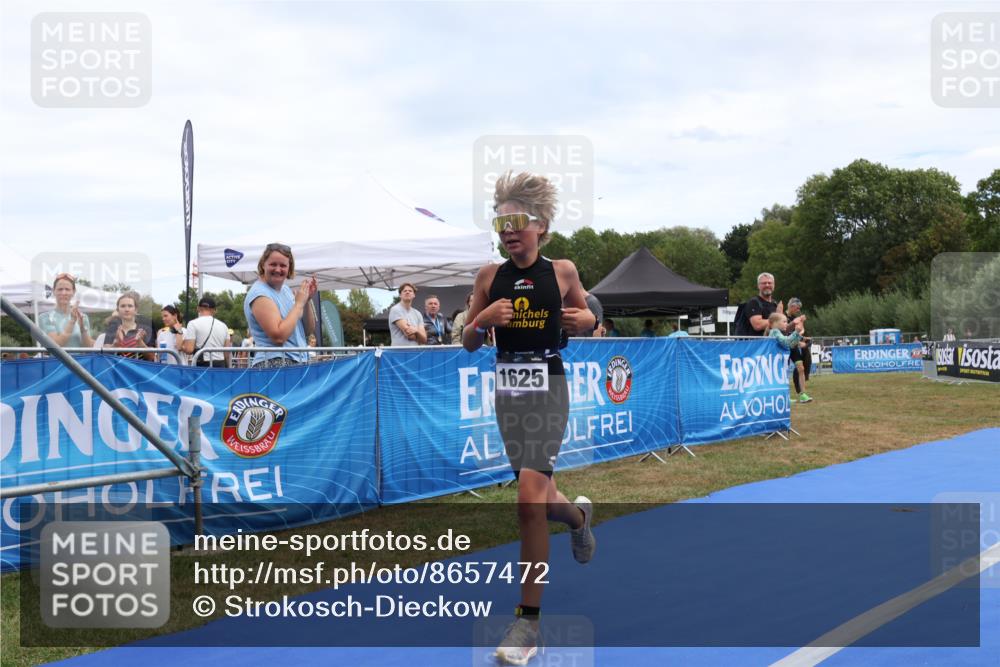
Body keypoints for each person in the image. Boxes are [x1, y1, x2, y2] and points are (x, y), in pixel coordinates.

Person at [462, 171, 596, 665]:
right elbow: (468, 342)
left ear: (540, 225)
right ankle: (578, 517)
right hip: (508, 389)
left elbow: (588, 318)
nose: (508, 231)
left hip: (549, 386)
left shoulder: (562, 271)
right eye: (500, 223)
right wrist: (482, 321)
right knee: (539, 498)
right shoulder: (487, 277)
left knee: (526, 502)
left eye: (517, 221)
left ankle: (528, 624)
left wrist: (588, 321)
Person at [243, 243, 316, 368]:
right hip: (274, 365)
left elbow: (308, 330)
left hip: (297, 363)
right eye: (273, 264)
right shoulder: (259, 293)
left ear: (289, 268)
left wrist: (306, 301)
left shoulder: (286, 290)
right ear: (263, 264)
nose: (278, 269)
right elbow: (278, 337)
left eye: (283, 265)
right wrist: (298, 304)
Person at [38, 273, 94, 348]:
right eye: (60, 289)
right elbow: (55, 346)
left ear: (73, 292)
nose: (63, 293)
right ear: (53, 291)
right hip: (56, 356)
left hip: (80, 356)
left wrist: (82, 329)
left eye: (67, 289)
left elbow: (88, 347)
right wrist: (72, 321)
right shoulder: (45, 317)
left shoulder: (82, 317)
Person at [184, 296, 232, 368]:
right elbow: (226, 352)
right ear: (215, 310)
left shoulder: (192, 324)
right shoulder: (224, 326)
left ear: (198, 308)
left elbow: (189, 349)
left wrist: (181, 347)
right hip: (220, 363)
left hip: (202, 364)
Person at [104, 291, 154, 360]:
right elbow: (105, 354)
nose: (126, 309)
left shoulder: (146, 329)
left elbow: (152, 357)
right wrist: (116, 344)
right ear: (118, 310)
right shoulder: (113, 328)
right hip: (117, 367)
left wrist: (140, 343)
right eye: (123, 306)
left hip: (138, 367)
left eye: (130, 306)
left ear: (136, 310)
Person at [785, 298, 812, 403]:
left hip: (794, 347)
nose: (798, 310)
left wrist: (803, 339)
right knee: (784, 371)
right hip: (784, 346)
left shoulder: (795, 318)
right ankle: (785, 396)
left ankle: (803, 394)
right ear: (791, 306)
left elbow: (799, 332)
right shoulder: (782, 315)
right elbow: (784, 330)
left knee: (801, 368)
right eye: (797, 308)